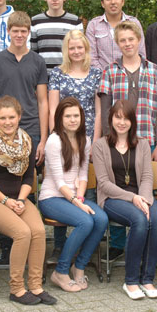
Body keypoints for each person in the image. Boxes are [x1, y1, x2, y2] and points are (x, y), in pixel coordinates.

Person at [0, 96, 56, 306]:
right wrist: (5, 201)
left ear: (19, 117)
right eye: (3, 118)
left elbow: (29, 177)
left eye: (11, 117)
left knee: (38, 231)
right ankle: (17, 289)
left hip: (18, 198)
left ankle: (36, 286)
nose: (7, 122)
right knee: (22, 233)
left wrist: (20, 199)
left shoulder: (27, 142)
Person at [97, 21, 157, 261]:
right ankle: (117, 245)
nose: (127, 44)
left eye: (131, 39)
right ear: (117, 43)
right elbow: (106, 109)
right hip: (117, 141)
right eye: (123, 40)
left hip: (147, 140)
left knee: (143, 186)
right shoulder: (109, 71)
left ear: (139, 41)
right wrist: (108, 140)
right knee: (118, 187)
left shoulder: (154, 70)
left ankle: (146, 242)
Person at [0, 11, 48, 264]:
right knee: (3, 183)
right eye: (15, 30)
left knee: (26, 184)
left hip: (31, 130)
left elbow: (42, 101)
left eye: (24, 31)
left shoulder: (38, 62)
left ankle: (28, 241)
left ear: (28, 32)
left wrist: (43, 138)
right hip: (3, 130)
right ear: (8, 31)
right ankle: (7, 245)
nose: (19, 35)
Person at [93, 100, 157, 300]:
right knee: (140, 220)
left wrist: (144, 200)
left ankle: (147, 279)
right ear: (111, 119)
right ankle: (131, 281)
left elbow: (147, 177)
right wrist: (133, 198)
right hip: (113, 198)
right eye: (117, 117)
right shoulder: (100, 145)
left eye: (126, 118)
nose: (122, 122)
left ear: (133, 121)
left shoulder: (143, 144)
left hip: (141, 195)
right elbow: (103, 183)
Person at [39, 98, 108, 292]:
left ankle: (79, 267)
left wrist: (80, 197)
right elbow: (59, 182)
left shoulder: (84, 139)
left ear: (81, 117)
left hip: (74, 197)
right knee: (85, 221)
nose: (72, 120)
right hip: (52, 198)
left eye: (76, 115)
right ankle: (60, 272)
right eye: (68, 116)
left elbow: (83, 174)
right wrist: (77, 203)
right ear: (60, 118)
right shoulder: (54, 141)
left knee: (101, 219)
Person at [47, 30, 103, 263]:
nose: (76, 51)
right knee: (62, 188)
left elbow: (98, 111)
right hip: (63, 138)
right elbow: (53, 108)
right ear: (66, 50)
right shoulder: (57, 73)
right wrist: (56, 137)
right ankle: (60, 246)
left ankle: (83, 244)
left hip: (86, 138)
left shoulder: (96, 73)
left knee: (84, 186)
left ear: (86, 49)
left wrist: (95, 140)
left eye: (80, 47)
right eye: (72, 48)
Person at [86, 0, 146, 71]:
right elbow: (91, 58)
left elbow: (141, 54)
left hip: (131, 76)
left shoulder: (134, 23)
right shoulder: (93, 25)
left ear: (122, 1)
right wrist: (106, 75)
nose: (113, 2)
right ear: (102, 3)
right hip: (102, 76)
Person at [30, 0, 84, 73]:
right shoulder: (35, 21)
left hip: (68, 75)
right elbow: (33, 53)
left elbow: (80, 52)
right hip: (43, 76)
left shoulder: (75, 22)